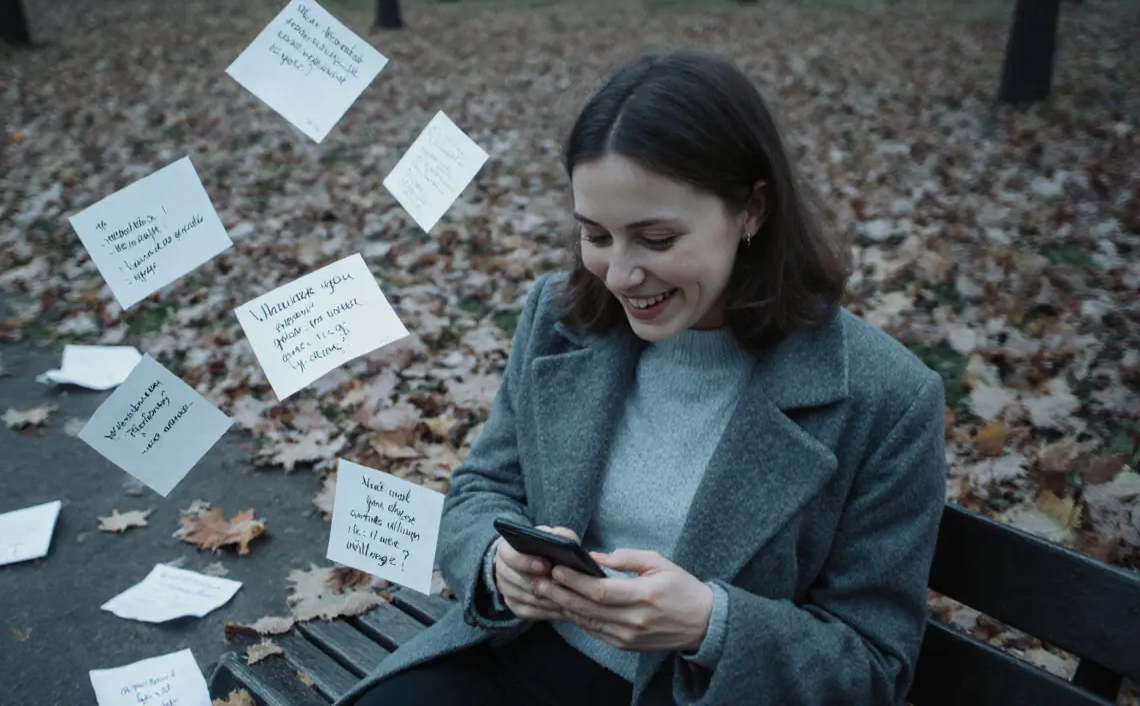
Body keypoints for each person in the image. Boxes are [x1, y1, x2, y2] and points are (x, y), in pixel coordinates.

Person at [339, 49, 947, 706]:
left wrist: (710, 626)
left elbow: (872, 665)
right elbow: (482, 489)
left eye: (656, 239)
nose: (621, 275)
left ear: (752, 210)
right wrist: (497, 564)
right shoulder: (560, 317)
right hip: (523, 654)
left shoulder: (885, 398)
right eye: (596, 235)